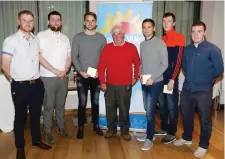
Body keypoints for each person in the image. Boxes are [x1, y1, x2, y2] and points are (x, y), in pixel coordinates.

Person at [1, 10, 52, 159]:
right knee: (20, 117)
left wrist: (54, 69)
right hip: (20, 86)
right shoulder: (10, 40)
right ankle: (20, 147)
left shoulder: (35, 40)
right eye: (25, 20)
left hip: (36, 85)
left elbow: (38, 58)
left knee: (36, 115)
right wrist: (15, 81)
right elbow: (5, 65)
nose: (28, 23)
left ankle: (36, 141)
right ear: (19, 22)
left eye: (30, 21)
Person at [173, 21, 224, 158]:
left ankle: (203, 145)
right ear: (190, 33)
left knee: (204, 119)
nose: (196, 34)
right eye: (193, 31)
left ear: (204, 33)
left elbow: (219, 70)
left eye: (199, 31)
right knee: (186, 115)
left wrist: (206, 80)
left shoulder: (213, 49)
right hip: (187, 90)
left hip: (203, 91)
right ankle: (187, 138)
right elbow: (183, 66)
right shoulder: (187, 49)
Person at [98, 25, 141, 141]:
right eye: (114, 35)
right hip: (110, 85)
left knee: (124, 109)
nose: (117, 37)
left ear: (124, 35)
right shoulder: (107, 48)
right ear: (112, 36)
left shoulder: (131, 48)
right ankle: (111, 129)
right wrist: (102, 82)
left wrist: (135, 77)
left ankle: (125, 131)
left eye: (119, 34)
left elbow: (137, 64)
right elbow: (101, 67)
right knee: (110, 108)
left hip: (125, 85)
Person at [37, 11, 72, 144]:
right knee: (48, 106)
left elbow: (69, 57)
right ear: (48, 22)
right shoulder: (41, 36)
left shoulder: (65, 38)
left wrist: (66, 69)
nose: (56, 22)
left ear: (61, 22)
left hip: (63, 77)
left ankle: (61, 128)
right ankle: (47, 131)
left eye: (58, 20)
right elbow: (39, 57)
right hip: (47, 78)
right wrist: (55, 71)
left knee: (60, 105)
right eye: (53, 20)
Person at [71, 12, 107, 139]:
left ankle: (96, 125)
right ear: (84, 22)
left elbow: (104, 58)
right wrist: (80, 71)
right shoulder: (77, 37)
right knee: (82, 102)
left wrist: (100, 72)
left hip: (97, 76)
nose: (90, 23)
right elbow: (74, 57)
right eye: (88, 20)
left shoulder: (102, 38)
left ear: (96, 23)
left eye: (92, 21)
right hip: (82, 75)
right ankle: (81, 126)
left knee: (95, 102)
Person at [136, 19, 168, 150]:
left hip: (155, 82)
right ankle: (150, 133)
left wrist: (153, 78)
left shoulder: (160, 43)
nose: (146, 30)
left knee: (149, 111)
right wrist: (140, 73)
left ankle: (149, 138)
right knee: (147, 108)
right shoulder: (142, 44)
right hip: (144, 81)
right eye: (144, 27)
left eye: (149, 27)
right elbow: (142, 63)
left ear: (153, 28)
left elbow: (164, 64)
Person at [158, 12, 185, 144]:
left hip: (170, 80)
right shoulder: (162, 39)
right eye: (164, 21)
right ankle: (164, 128)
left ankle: (172, 132)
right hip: (161, 79)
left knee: (172, 106)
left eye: (169, 21)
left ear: (173, 23)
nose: (166, 24)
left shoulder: (179, 37)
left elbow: (179, 61)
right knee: (162, 105)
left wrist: (173, 79)